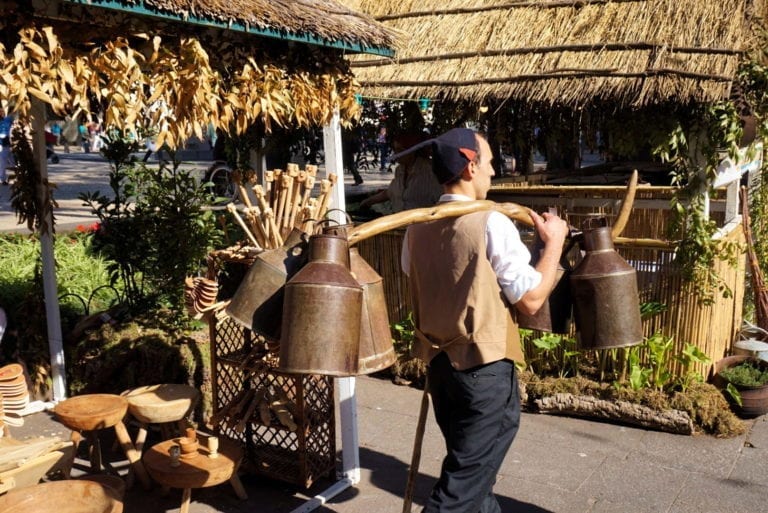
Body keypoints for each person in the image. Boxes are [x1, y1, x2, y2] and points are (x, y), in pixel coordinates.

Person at [400, 127, 568, 513]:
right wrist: (555, 242)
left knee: (476, 474)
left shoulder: (415, 228)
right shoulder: (491, 223)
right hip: (484, 374)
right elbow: (530, 299)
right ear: (471, 166)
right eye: (491, 162)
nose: (495, 172)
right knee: (460, 489)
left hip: (441, 371)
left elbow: (421, 277)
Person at [359, 132, 441, 212]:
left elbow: (440, 199)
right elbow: (391, 191)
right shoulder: (399, 170)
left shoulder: (429, 170)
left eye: (400, 150)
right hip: (399, 222)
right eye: (395, 149)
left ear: (412, 151)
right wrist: (368, 202)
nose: (396, 153)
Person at [0, 105, 14, 185]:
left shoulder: (7, 120)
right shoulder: (7, 120)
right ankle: (2, 179)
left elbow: (11, 114)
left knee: (12, 161)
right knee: (3, 163)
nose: (1, 113)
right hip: (1, 145)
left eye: (2, 112)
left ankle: (18, 175)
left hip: (7, 144)